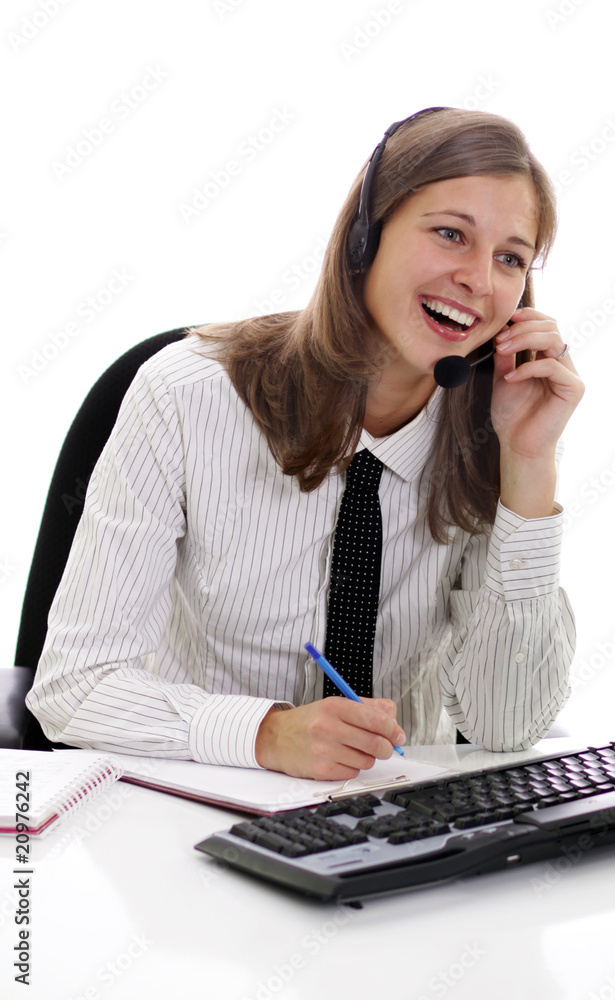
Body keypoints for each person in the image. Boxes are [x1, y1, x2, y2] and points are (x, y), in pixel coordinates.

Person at [27, 107, 584, 781]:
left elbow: (506, 728)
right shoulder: (187, 395)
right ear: (363, 237)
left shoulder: (494, 428)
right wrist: (264, 734)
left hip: (396, 827)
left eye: (510, 259)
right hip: (197, 813)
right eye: (449, 234)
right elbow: (72, 687)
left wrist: (528, 466)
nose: (481, 280)